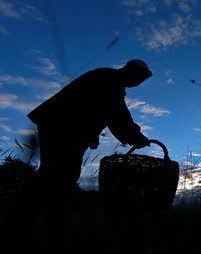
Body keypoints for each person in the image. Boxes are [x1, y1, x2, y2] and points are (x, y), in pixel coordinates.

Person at [4, 59, 153, 249]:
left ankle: (36, 228)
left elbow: (93, 110)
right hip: (61, 128)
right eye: (139, 77)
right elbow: (117, 114)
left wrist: (92, 135)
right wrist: (136, 136)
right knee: (57, 176)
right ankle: (27, 229)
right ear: (129, 69)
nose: (139, 82)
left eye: (142, 80)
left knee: (54, 176)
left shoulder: (109, 79)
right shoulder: (111, 80)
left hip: (59, 127)